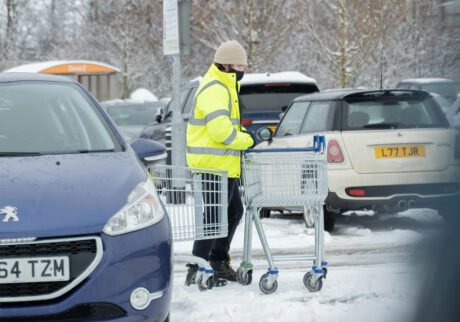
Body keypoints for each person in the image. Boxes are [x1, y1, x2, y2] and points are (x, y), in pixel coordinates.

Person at [185, 40, 256, 286]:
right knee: (215, 217)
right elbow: (221, 133)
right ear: (225, 65)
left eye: (243, 65)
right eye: (238, 65)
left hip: (224, 165)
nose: (242, 69)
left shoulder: (226, 86)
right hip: (212, 166)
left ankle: (216, 261)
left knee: (233, 211)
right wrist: (246, 140)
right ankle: (198, 266)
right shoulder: (215, 88)